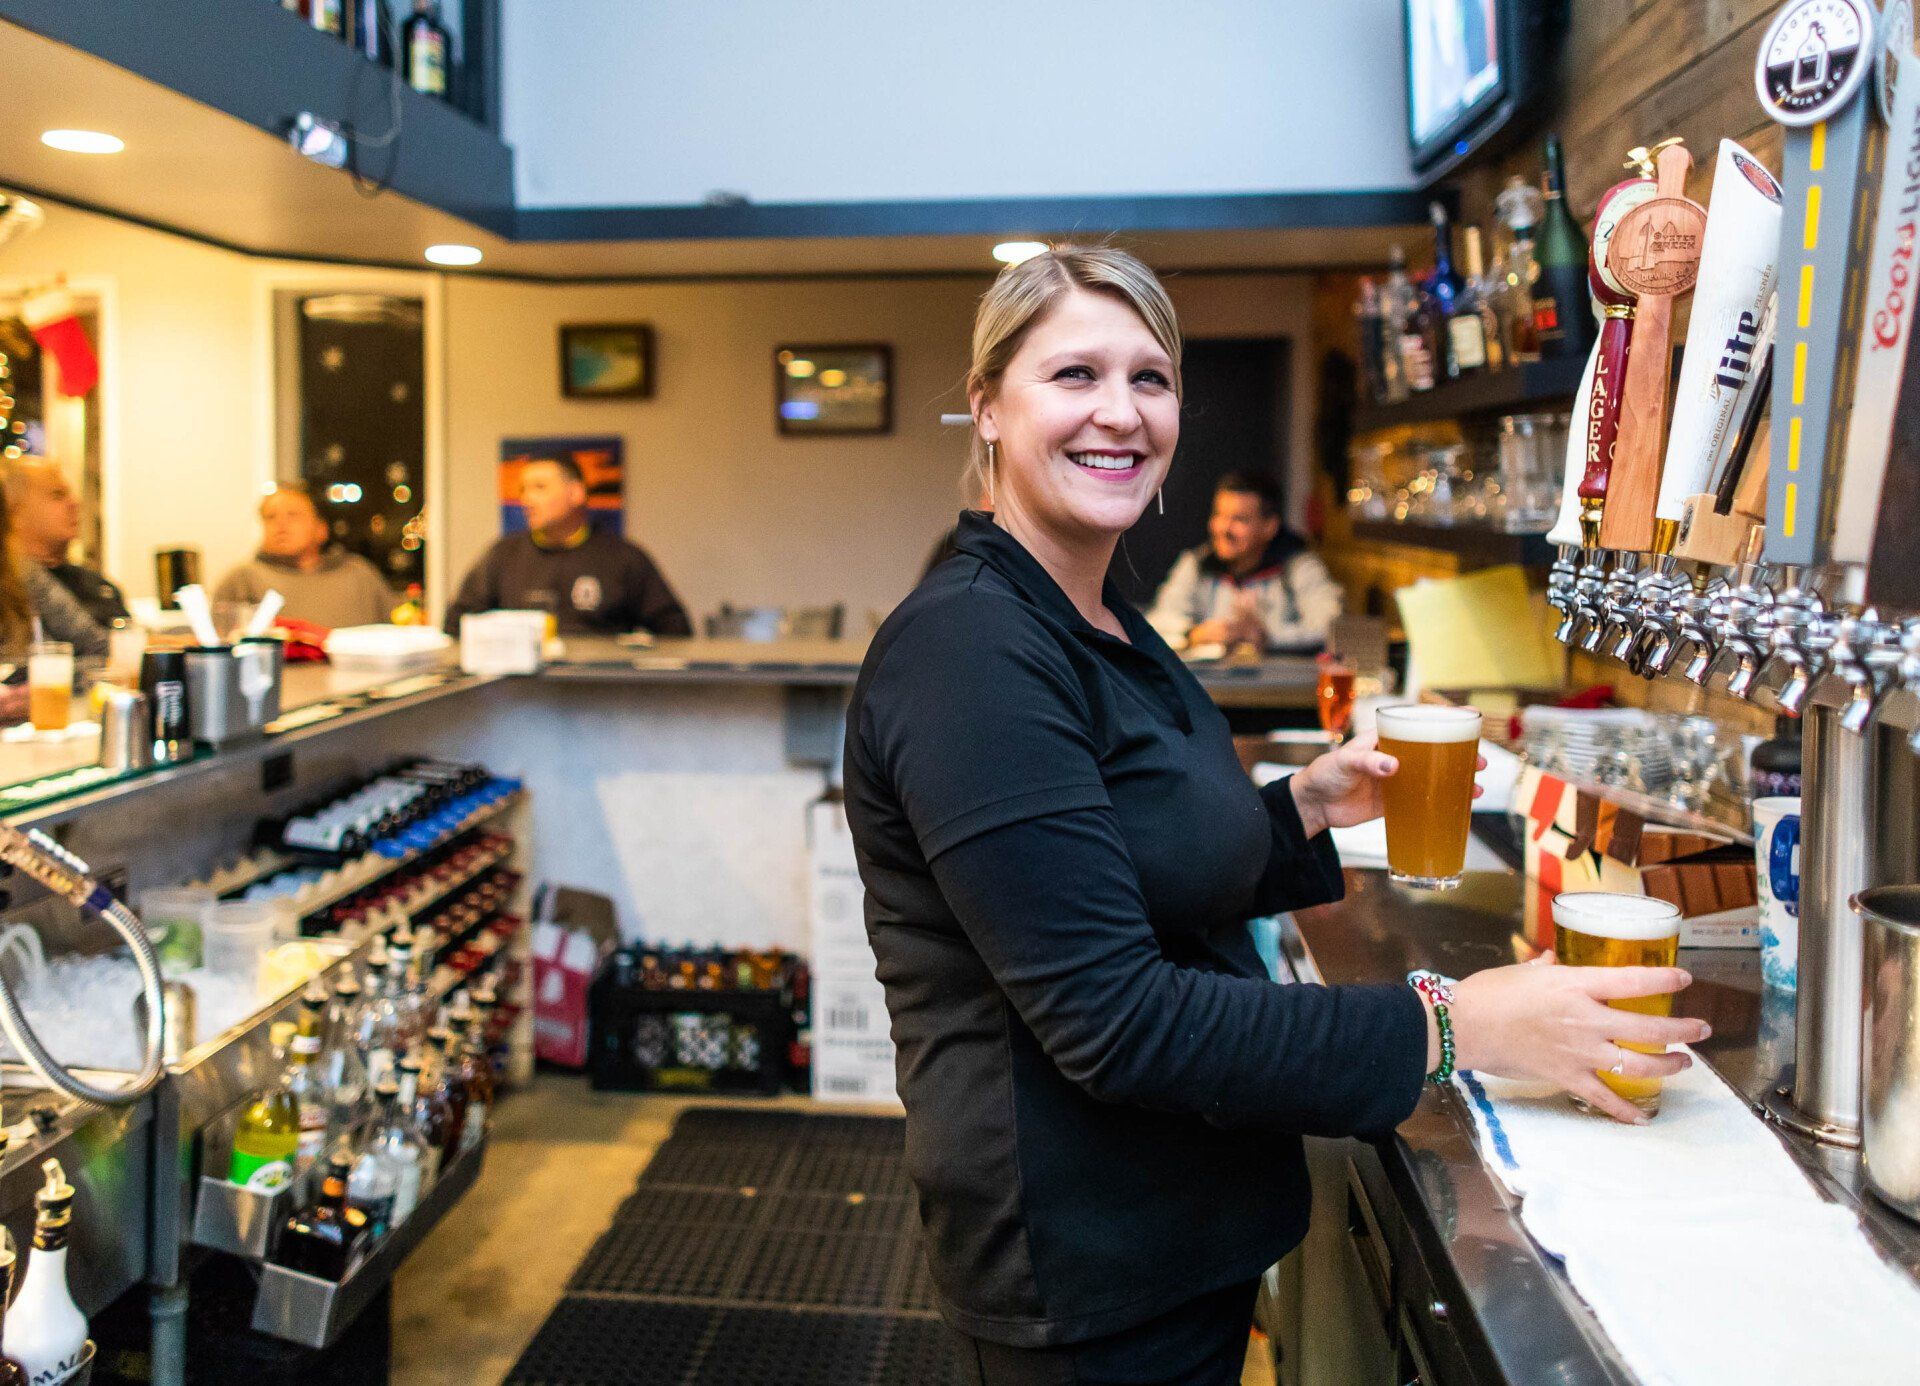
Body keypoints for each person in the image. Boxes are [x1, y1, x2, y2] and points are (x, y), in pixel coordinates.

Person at [843, 246, 1703, 1382]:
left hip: (1175, 1229)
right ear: (988, 407)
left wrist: (1299, 805)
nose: (1121, 412)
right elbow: (1116, 1022)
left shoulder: (1100, 616)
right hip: (1080, 1265)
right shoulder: (970, 651)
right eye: (1074, 376)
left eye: (1151, 378)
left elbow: (1132, 855)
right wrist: (1456, 1025)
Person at [444, 455, 691, 638]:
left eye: (539, 487)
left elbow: (675, 629)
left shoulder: (623, 557)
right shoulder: (502, 555)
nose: (526, 499)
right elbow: (456, 625)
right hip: (520, 699)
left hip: (601, 699)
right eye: (523, 490)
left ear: (575, 493)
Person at [1146, 470, 1342, 652]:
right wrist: (1193, 633)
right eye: (1219, 516)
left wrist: (1266, 635)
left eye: (1239, 519)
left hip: (1277, 687)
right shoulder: (1197, 563)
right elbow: (1156, 622)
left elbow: (1331, 627)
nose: (1223, 529)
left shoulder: (1298, 567)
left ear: (1269, 526)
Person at [214, 485, 394, 630]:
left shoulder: (359, 574)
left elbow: (393, 636)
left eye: (292, 515)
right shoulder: (241, 579)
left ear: (321, 530)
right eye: (270, 517)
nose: (280, 525)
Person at [5, 459, 129, 628]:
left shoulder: (98, 585)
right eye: (58, 495)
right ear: (14, 513)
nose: (74, 504)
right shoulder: (11, 593)